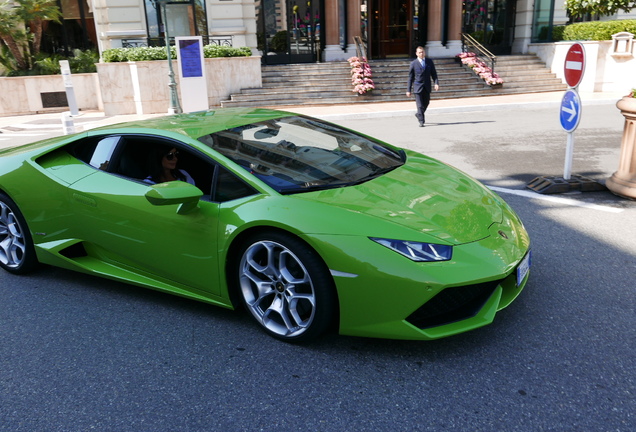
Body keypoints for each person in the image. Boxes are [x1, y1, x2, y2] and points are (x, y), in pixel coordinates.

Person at [406, 46, 439, 127]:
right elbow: (410, 77)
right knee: (420, 105)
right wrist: (408, 90)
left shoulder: (429, 62)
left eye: (423, 52)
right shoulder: (413, 63)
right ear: (416, 54)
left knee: (426, 103)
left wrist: (436, 83)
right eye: (420, 52)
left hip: (427, 86)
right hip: (417, 87)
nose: (421, 53)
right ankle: (421, 121)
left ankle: (418, 114)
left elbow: (434, 74)